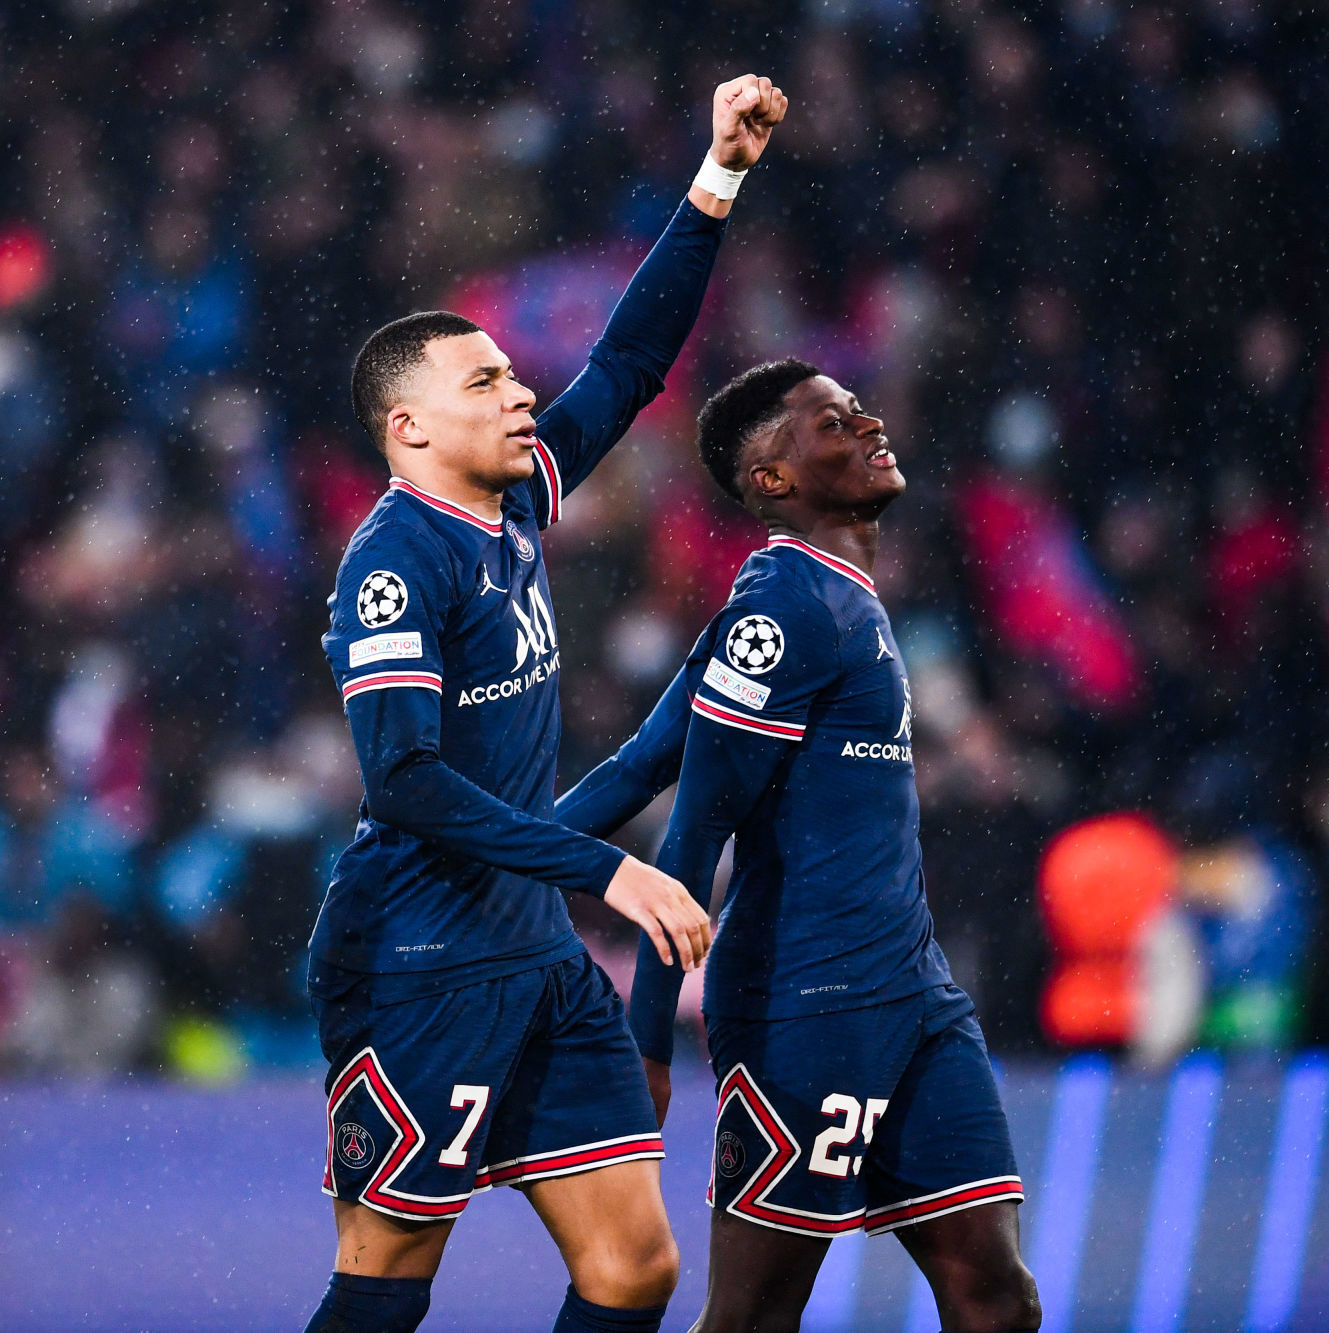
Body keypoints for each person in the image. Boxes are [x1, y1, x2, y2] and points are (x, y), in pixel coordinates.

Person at [306, 76, 788, 1333]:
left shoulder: (515, 500)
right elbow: (404, 779)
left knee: (633, 1268)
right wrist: (607, 869)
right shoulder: (393, 562)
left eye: (514, 375)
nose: (521, 394)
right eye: (485, 384)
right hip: (417, 956)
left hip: (532, 950)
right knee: (386, 1282)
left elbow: (628, 364)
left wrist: (715, 180)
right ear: (409, 428)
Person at [558, 361, 1041, 1333]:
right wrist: (645, 1043)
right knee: (752, 1317)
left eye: (856, 408)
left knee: (995, 1298)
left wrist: (490, 857)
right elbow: (691, 831)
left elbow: (639, 765)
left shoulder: (828, 599)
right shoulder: (784, 613)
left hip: (914, 993)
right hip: (807, 1003)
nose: (866, 422)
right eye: (830, 422)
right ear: (772, 479)